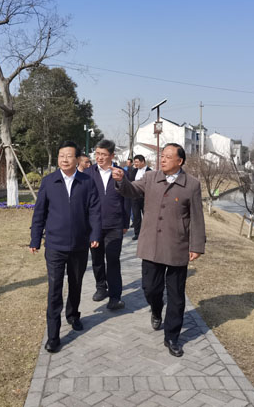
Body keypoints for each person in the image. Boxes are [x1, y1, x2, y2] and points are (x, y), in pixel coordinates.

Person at [112, 143, 206, 358]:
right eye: (162, 156)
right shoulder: (150, 177)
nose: (162, 159)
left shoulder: (192, 185)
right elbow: (131, 190)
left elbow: (197, 217)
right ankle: (156, 309)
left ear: (180, 161)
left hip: (177, 246)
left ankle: (172, 337)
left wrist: (196, 246)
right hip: (151, 245)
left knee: (176, 295)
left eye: (168, 157)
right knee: (150, 288)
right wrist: (121, 180)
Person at [30, 141, 101, 353]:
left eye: (69, 156)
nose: (64, 159)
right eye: (61, 155)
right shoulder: (49, 181)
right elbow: (39, 213)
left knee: (76, 283)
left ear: (77, 159)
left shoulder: (87, 182)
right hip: (55, 245)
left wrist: (95, 234)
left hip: (79, 245)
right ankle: (53, 336)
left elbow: (94, 211)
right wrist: (35, 239)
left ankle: (73, 315)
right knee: (55, 289)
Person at [85, 139, 130, 310]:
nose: (99, 157)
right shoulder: (88, 173)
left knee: (113, 260)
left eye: (103, 154)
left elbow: (127, 198)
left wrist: (125, 222)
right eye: (97, 154)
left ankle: (115, 297)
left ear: (112, 155)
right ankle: (101, 287)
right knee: (97, 259)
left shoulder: (120, 173)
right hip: (93, 226)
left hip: (114, 224)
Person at [128, 154, 151, 240]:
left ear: (143, 162)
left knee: (147, 216)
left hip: (146, 197)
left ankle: (148, 233)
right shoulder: (134, 171)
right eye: (134, 162)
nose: (135, 164)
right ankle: (137, 233)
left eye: (137, 162)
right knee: (136, 216)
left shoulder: (150, 172)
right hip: (135, 197)